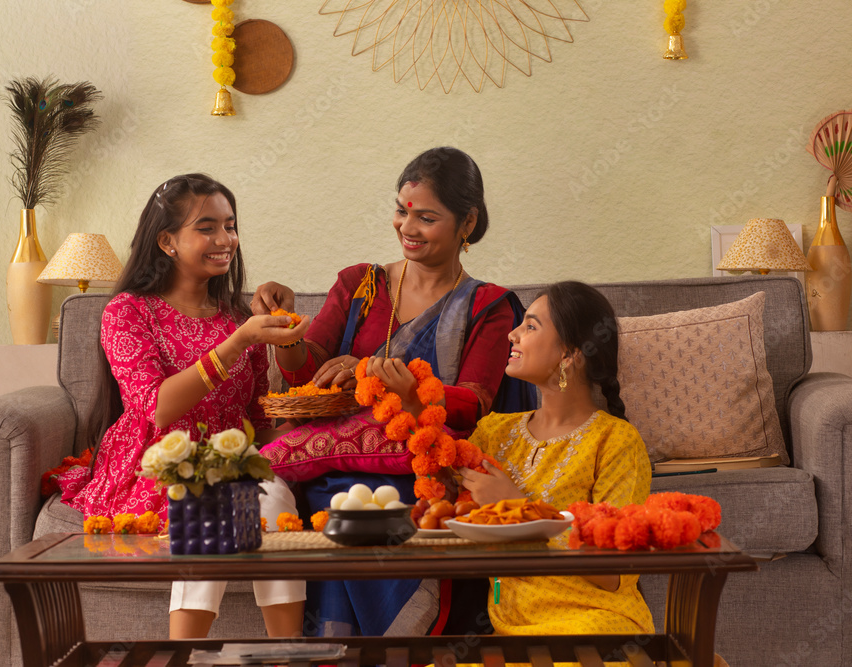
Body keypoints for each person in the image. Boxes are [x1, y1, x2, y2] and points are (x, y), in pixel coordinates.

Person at [250, 147, 537, 637]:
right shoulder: (359, 283)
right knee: (342, 506)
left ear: (467, 223)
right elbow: (305, 380)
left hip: (421, 463)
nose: (407, 227)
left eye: (426, 217)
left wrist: (376, 374)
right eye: (402, 210)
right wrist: (287, 329)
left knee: (373, 509)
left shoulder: (490, 306)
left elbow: (472, 404)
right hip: (334, 462)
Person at [58, 174, 310, 640]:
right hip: (160, 459)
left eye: (231, 226)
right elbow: (154, 408)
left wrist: (282, 329)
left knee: (275, 502)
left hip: (234, 457)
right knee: (213, 502)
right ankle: (184, 654)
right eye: (207, 227)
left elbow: (260, 413)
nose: (225, 240)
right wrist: (239, 342)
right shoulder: (129, 311)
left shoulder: (239, 315)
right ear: (167, 241)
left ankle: (288, 652)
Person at [459, 281, 654, 639]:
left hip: (596, 625)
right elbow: (438, 478)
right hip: (510, 630)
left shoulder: (616, 442)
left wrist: (518, 507)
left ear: (570, 355)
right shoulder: (493, 433)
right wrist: (411, 406)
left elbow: (613, 573)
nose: (512, 335)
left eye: (530, 326)